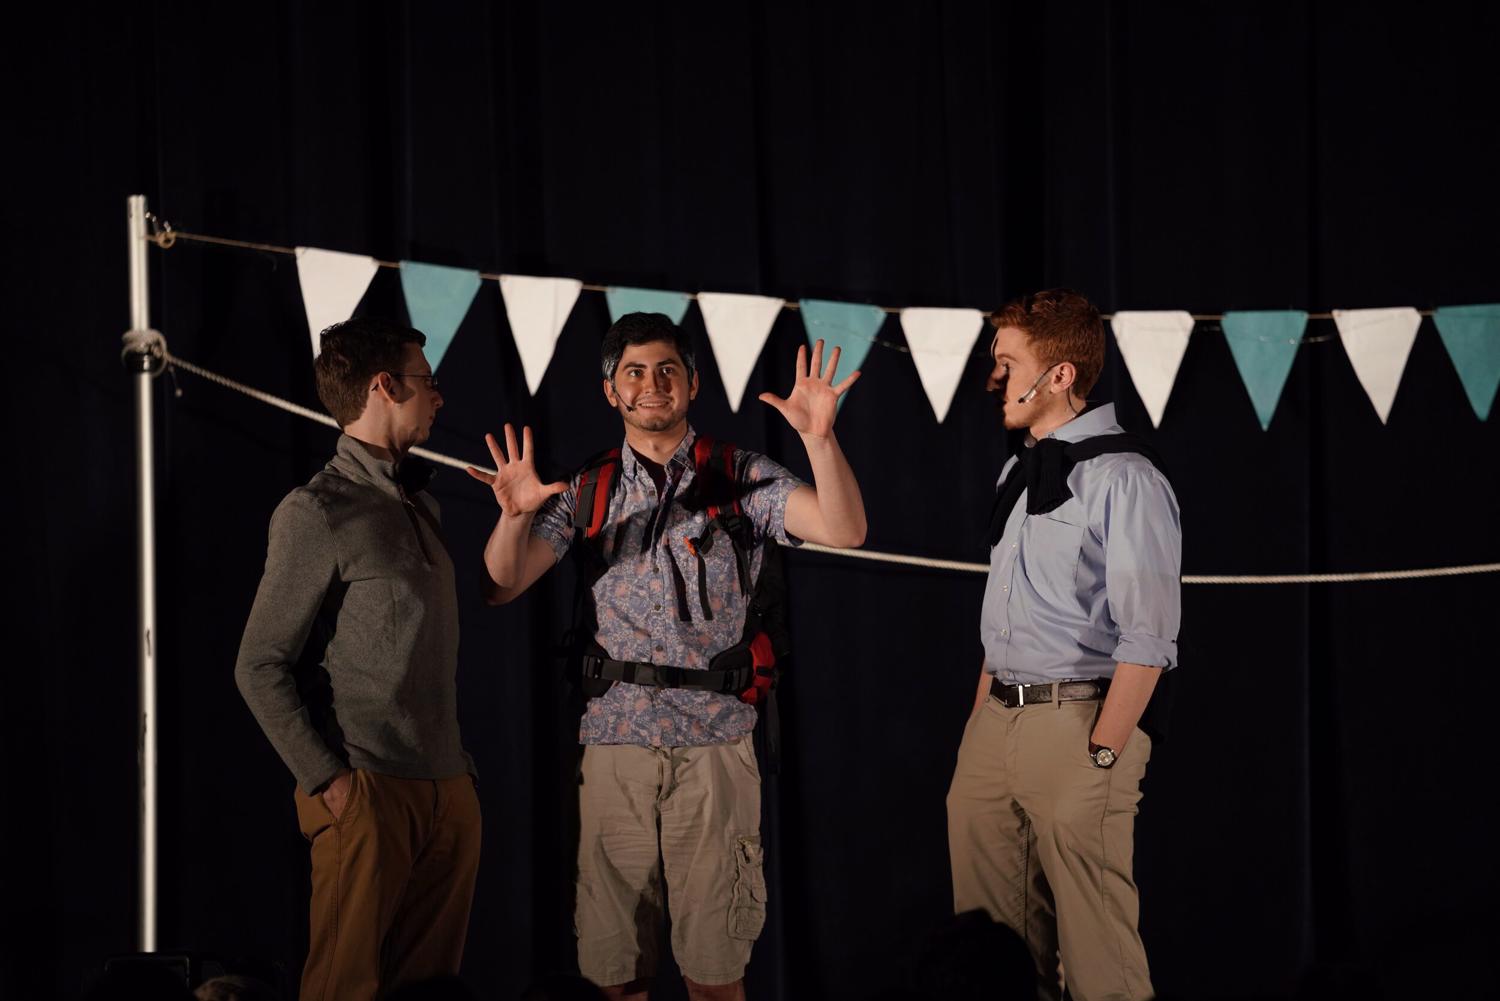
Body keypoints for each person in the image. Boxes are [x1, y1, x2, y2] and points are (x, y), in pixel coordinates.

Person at [468, 312, 866, 1001]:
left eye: (666, 371)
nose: (651, 385)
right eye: (634, 373)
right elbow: (502, 585)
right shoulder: (587, 489)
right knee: (615, 976)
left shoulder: (738, 474)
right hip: (614, 750)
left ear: (692, 384)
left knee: (715, 977)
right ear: (610, 391)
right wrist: (512, 517)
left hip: (715, 750)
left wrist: (819, 440)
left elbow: (845, 528)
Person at [235, 317, 481, 1001]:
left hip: (446, 789)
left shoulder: (420, 501)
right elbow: (258, 662)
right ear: (384, 386)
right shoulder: (317, 510)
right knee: (345, 989)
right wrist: (332, 785)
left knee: (430, 990)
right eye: (426, 383)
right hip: (370, 790)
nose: (438, 399)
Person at [945, 290, 1181, 1001]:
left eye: (1007, 362)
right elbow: (1006, 612)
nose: (994, 377)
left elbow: (1150, 635)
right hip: (998, 727)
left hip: (1078, 725)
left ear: (1059, 377)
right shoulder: (1016, 472)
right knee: (989, 951)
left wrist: (1104, 751)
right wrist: (979, 721)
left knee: (1098, 953)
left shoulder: (1126, 478)